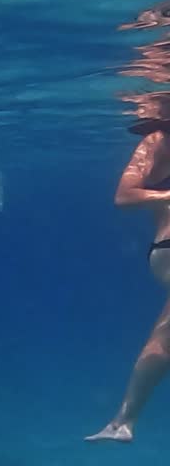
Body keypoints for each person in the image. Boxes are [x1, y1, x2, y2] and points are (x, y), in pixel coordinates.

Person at [88, 116, 170, 442]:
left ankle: (123, 422)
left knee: (165, 339)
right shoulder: (160, 140)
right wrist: (166, 196)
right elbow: (124, 196)